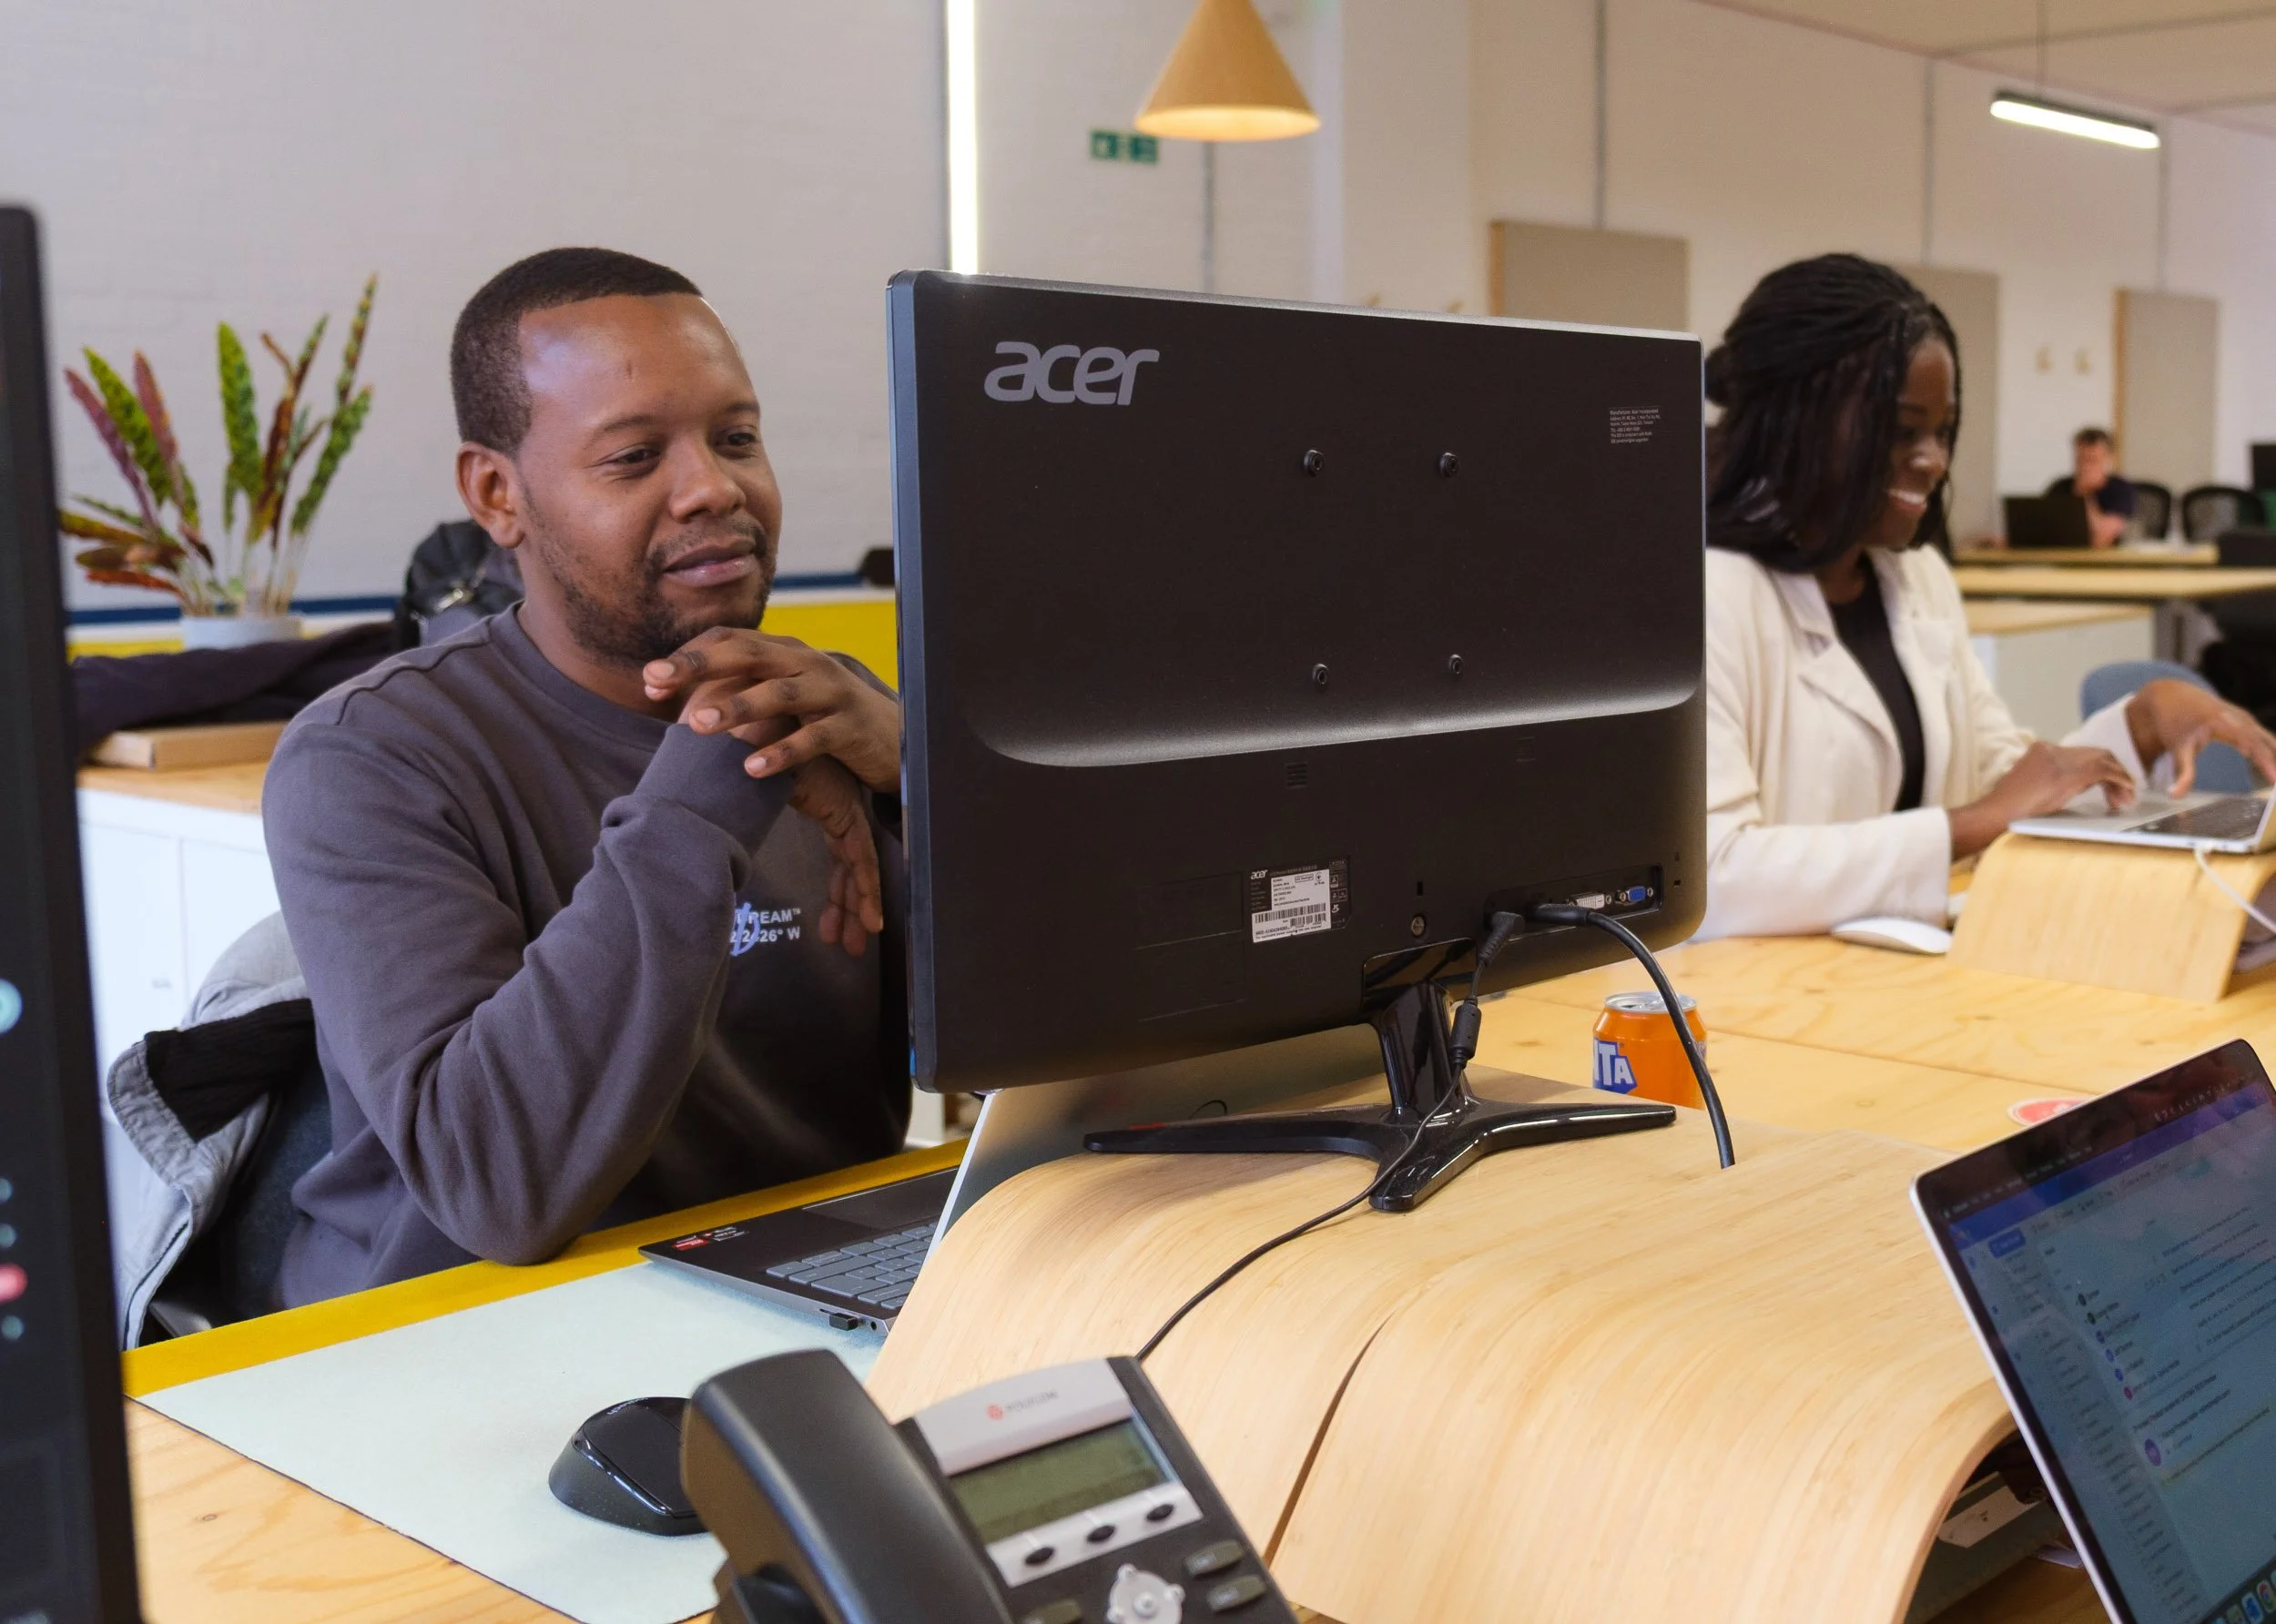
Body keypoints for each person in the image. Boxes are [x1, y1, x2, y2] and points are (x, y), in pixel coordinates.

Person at [264, 249, 911, 1304]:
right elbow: (498, 1188)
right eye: (633, 456)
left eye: (736, 437)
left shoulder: (832, 713)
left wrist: (925, 780)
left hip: (809, 1285)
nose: (712, 487)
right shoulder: (369, 756)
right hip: (464, 1331)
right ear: (497, 493)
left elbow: (1055, 1054)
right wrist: (709, 770)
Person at [1701, 254, 2276, 939]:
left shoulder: (1916, 581)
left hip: (1887, 982)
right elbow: (1713, 878)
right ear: (1798, 420)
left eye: (1941, 432)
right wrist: (1970, 825)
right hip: (1746, 1008)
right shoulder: (1706, 596)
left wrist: (2140, 725)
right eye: (1903, 430)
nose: (1934, 460)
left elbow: (2007, 782)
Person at [2045, 427, 2137, 548]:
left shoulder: (2121, 490)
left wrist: (2084, 493)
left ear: (2109, 458)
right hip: (2062, 557)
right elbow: (2045, 532)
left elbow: (2101, 539)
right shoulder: (2059, 487)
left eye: (2092, 460)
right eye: (2080, 459)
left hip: (2105, 562)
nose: (2085, 466)